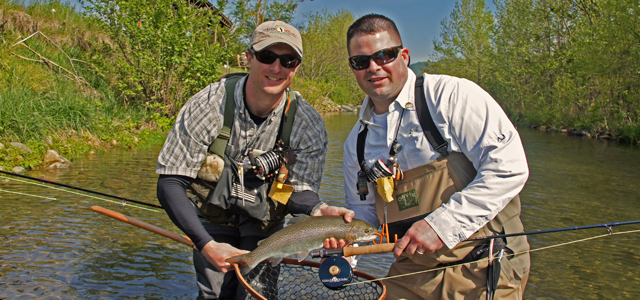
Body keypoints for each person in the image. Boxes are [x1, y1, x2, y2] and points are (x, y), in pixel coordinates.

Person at [156, 20, 354, 299]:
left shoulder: (307, 125)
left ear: (296, 67)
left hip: (265, 224)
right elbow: (170, 182)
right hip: (213, 215)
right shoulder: (208, 104)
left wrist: (318, 210)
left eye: (288, 60)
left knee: (255, 294)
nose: (276, 68)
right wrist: (205, 244)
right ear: (248, 57)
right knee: (215, 293)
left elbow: (299, 191)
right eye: (266, 56)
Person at [341, 14, 530, 299]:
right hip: (412, 269)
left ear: (404, 56)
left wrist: (440, 226)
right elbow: (367, 214)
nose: (374, 67)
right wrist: (346, 250)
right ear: (353, 68)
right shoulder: (356, 142)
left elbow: (509, 168)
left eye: (384, 56)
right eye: (361, 61)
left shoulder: (451, 96)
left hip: (486, 261)